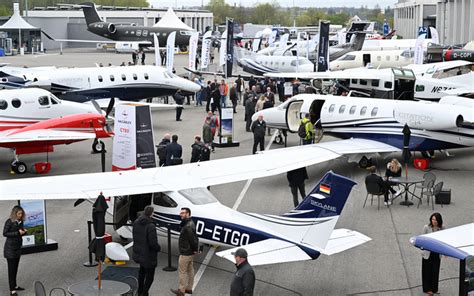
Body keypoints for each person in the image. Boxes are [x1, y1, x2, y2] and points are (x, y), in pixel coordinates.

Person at [132, 206, 161, 296]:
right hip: (148, 255)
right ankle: (144, 293)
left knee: (141, 273)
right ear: (151, 213)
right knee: (150, 277)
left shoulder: (136, 222)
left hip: (140, 253)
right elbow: (153, 243)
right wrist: (158, 248)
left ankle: (140, 291)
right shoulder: (151, 226)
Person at [170, 208, 199, 296]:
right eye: (180, 213)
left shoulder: (188, 226)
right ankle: (189, 289)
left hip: (185, 252)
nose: (180, 214)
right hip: (189, 252)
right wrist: (195, 250)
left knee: (182, 272)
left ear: (188, 214)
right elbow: (195, 238)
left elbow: (193, 240)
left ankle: (181, 291)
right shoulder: (190, 223)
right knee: (190, 270)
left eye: (183, 213)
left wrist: (195, 250)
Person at [3, 206, 26, 296]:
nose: (21, 215)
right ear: (14, 213)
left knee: (15, 269)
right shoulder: (9, 222)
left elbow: (20, 232)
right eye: (19, 213)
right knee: (11, 270)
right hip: (10, 250)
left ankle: (15, 285)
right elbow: (5, 233)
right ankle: (12, 290)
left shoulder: (20, 221)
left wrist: (24, 232)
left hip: (17, 248)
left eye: (21, 213)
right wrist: (17, 233)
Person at [422, 213, 444, 295]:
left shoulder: (442, 228)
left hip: (437, 252)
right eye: (432, 219)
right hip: (428, 252)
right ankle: (427, 289)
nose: (434, 221)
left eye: (435, 220)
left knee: (435, 271)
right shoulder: (426, 227)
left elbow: (444, 240)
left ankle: (434, 288)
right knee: (427, 271)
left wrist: (445, 252)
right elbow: (422, 239)